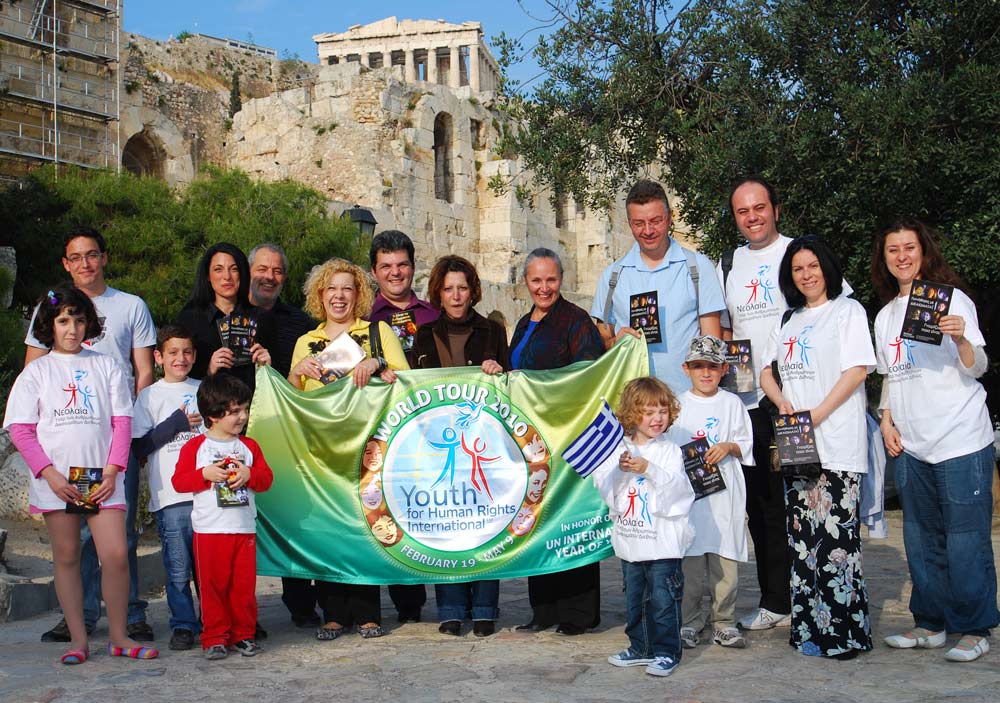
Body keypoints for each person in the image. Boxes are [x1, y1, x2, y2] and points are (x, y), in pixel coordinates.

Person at [5, 284, 159, 663]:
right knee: (68, 555)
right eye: (63, 321)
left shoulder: (105, 366)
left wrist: (112, 471)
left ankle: (120, 636)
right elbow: (21, 430)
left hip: (102, 479)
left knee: (116, 555)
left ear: (88, 323)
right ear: (50, 325)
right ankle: (78, 640)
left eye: (77, 320)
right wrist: (50, 475)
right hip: (57, 481)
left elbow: (122, 421)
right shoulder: (36, 372)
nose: (71, 329)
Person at [872, 218, 998, 662]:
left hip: (961, 438)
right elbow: (891, 376)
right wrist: (886, 421)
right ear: (884, 259)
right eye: (893, 250)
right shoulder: (885, 316)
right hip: (911, 444)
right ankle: (930, 623)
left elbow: (977, 366)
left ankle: (974, 628)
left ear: (923, 252)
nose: (902, 256)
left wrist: (960, 337)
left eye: (909, 247)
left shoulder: (952, 300)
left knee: (966, 540)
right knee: (921, 540)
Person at [759, 236, 874, 660]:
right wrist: (781, 401)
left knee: (836, 543)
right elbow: (765, 371)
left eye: (812, 266)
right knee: (804, 543)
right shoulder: (788, 319)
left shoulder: (847, 311)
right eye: (797, 269)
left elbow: (857, 370)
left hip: (837, 443)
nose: (806, 275)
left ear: (826, 268)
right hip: (798, 446)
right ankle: (809, 630)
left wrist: (818, 414)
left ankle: (843, 634)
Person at [288, 258, 407, 640]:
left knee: (364, 526)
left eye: (347, 289)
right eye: (332, 289)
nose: (339, 296)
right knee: (328, 531)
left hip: (367, 446)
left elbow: (407, 380)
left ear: (359, 294)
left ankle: (368, 612)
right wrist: (296, 373)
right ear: (320, 295)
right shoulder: (305, 342)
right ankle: (334, 613)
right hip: (321, 451)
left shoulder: (377, 332)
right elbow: (291, 399)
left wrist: (377, 361)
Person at [509, 248, 605, 636]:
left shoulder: (575, 320)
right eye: (536, 280)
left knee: (570, 519)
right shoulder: (522, 323)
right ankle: (544, 609)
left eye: (551, 279)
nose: (544, 287)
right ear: (526, 283)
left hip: (568, 436)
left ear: (561, 280)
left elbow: (589, 374)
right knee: (539, 519)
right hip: (532, 440)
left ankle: (578, 613)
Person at [412, 255, 508, 637]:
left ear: (473, 291)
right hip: (439, 446)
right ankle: (451, 608)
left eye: (462, 288)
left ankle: (484, 608)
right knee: (446, 522)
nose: (455, 295)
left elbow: (509, 384)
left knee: (485, 524)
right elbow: (413, 388)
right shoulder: (423, 336)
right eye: (448, 288)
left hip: (482, 443)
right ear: (438, 292)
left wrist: (498, 373)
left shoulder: (493, 331)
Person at [593, 376, 696, 678]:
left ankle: (667, 651)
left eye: (662, 411)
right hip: (632, 540)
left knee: (664, 600)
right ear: (632, 414)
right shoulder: (618, 449)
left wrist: (648, 469)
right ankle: (641, 647)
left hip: (662, 543)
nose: (657, 418)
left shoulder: (669, 451)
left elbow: (679, 490)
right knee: (635, 599)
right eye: (649, 412)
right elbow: (604, 486)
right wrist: (618, 470)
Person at [171, 373, 274, 660]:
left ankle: (244, 634)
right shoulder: (196, 447)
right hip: (209, 531)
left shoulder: (250, 447)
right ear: (214, 415)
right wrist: (204, 474)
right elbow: (179, 482)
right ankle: (214, 637)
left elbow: (267, 480)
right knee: (212, 587)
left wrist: (249, 474)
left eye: (245, 409)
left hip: (244, 529)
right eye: (235, 411)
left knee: (243, 587)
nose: (243, 416)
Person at [590, 179, 725, 396]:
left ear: (670, 218)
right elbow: (603, 340)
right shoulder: (612, 276)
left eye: (656, 221)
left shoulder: (698, 268)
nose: (648, 230)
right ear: (629, 223)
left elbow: (711, 341)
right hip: (634, 402)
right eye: (639, 223)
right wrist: (616, 341)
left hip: (687, 400)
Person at [365, 230, 439, 623]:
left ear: (413, 267)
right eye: (386, 266)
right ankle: (406, 602)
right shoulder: (364, 321)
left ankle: (450, 592)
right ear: (374, 272)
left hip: (433, 427)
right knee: (393, 509)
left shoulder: (434, 315)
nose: (395, 273)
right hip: (387, 429)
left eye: (402, 265)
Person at [247, 243, 321, 629]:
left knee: (293, 517)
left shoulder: (301, 323)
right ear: (249, 272)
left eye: (277, 271)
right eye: (262, 269)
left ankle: (301, 603)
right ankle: (242, 613)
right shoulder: (229, 316)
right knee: (238, 523)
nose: (269, 277)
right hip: (237, 430)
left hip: (287, 434)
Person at [666, 335, 753, 650]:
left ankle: (724, 621)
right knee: (689, 567)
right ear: (686, 368)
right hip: (691, 499)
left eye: (712, 367)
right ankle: (689, 621)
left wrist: (728, 446)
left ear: (724, 369)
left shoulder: (732, 404)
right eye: (698, 366)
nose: (705, 373)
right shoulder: (677, 406)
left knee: (724, 563)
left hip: (724, 496)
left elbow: (746, 444)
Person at [131, 325, 203, 651]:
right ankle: (184, 625)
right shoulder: (150, 396)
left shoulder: (205, 389)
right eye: (173, 352)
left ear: (195, 356)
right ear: (158, 357)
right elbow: (140, 446)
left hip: (207, 494)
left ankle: (214, 620)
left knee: (207, 567)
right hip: (171, 497)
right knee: (177, 567)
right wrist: (175, 423)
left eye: (187, 352)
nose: (180, 358)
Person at [176, 242, 275, 392]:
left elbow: (280, 375)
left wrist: (268, 366)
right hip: (205, 401)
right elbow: (178, 372)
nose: (227, 277)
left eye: (234, 269)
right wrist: (209, 369)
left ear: (242, 273)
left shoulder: (261, 318)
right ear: (208, 276)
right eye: (218, 269)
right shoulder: (190, 318)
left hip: (252, 402)